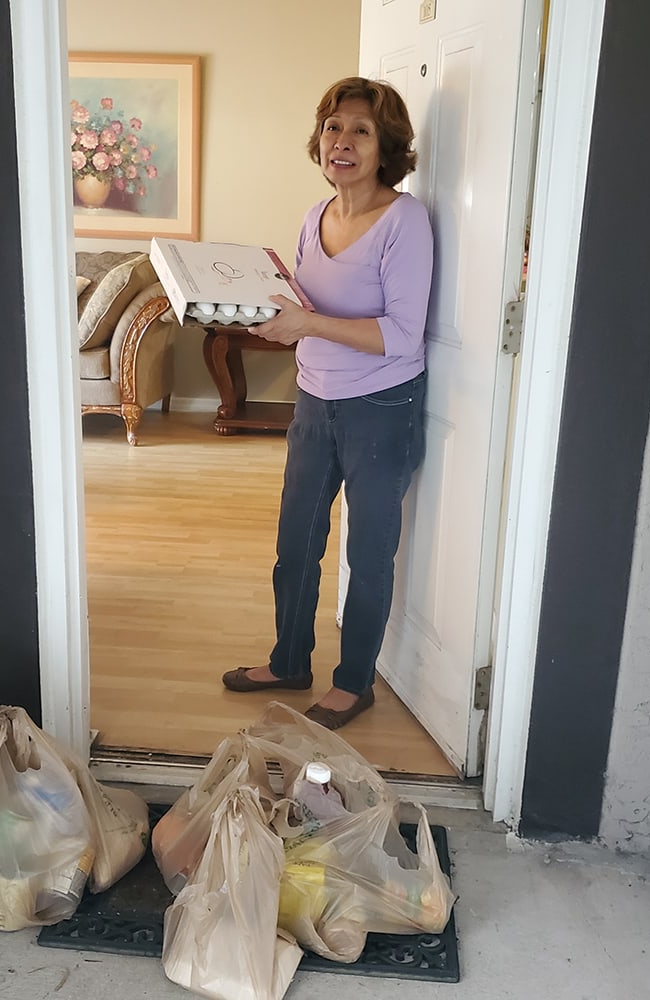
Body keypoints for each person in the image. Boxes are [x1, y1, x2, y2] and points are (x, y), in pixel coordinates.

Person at [221, 77, 433, 730]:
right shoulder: (316, 216)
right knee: (296, 543)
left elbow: (401, 336)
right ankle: (289, 660)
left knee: (367, 552)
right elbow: (309, 308)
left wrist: (307, 326)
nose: (341, 141)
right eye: (333, 127)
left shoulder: (405, 221)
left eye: (360, 131)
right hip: (314, 403)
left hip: (380, 407)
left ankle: (354, 683)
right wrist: (273, 317)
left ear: (387, 147)